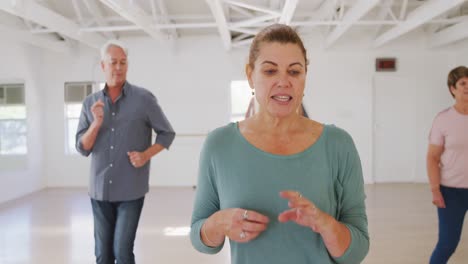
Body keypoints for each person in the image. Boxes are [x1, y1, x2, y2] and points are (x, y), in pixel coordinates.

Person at [190, 24, 369, 264]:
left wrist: (326, 225)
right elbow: (199, 237)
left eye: (294, 72)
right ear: (250, 75)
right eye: (270, 71)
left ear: (305, 76)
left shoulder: (338, 145)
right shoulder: (219, 145)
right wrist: (218, 223)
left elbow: (357, 250)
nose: (283, 81)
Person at [76, 39, 175, 264]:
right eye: (113, 62)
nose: (119, 67)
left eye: (123, 62)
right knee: (103, 255)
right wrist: (96, 124)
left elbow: (166, 133)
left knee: (122, 252)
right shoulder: (90, 103)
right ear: (103, 66)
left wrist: (146, 155)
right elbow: (82, 148)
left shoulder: (144, 99)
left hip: (131, 190)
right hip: (99, 190)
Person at [428, 66, 468, 264]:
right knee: (447, 243)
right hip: (451, 192)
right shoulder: (443, 120)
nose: (467, 87)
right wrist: (435, 189)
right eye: (463, 83)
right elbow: (432, 157)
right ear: (452, 88)